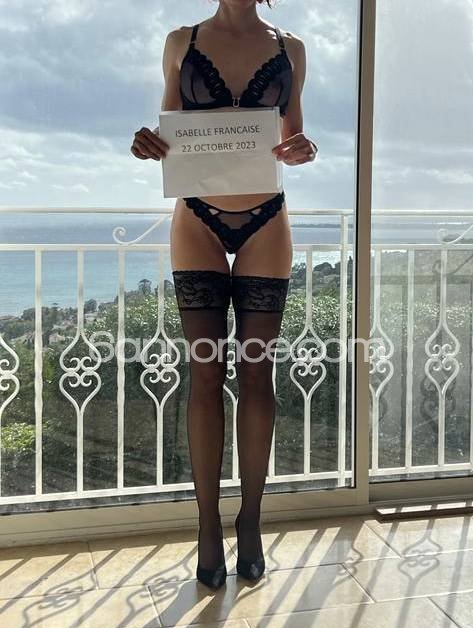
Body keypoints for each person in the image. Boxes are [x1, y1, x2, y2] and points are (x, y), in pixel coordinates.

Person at [130, 0, 317, 589]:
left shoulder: (291, 48)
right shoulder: (180, 41)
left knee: (258, 373)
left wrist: (304, 150)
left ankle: (251, 520)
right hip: (197, 218)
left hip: (267, 219)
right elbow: (169, 134)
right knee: (205, 375)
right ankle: (208, 525)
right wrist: (147, 143)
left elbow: (294, 136)